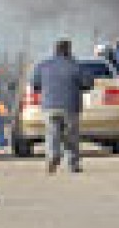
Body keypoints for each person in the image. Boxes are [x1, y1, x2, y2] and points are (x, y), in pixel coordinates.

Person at [31, 39, 93, 173]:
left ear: (55, 50)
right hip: (70, 106)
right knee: (71, 136)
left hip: (49, 106)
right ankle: (73, 163)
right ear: (69, 50)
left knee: (52, 133)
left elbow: (35, 84)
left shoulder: (43, 65)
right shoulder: (75, 65)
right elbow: (88, 83)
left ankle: (53, 156)